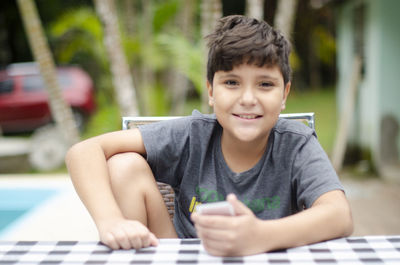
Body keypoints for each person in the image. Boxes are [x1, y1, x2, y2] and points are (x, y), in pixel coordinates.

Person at [66, 15, 353, 257]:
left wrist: (260, 236)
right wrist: (111, 221)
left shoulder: (296, 143)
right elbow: (83, 151)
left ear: (284, 95)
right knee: (123, 164)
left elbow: (339, 215)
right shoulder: (193, 135)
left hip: (265, 256)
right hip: (179, 253)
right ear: (211, 92)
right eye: (231, 82)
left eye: (265, 84)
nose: (248, 98)